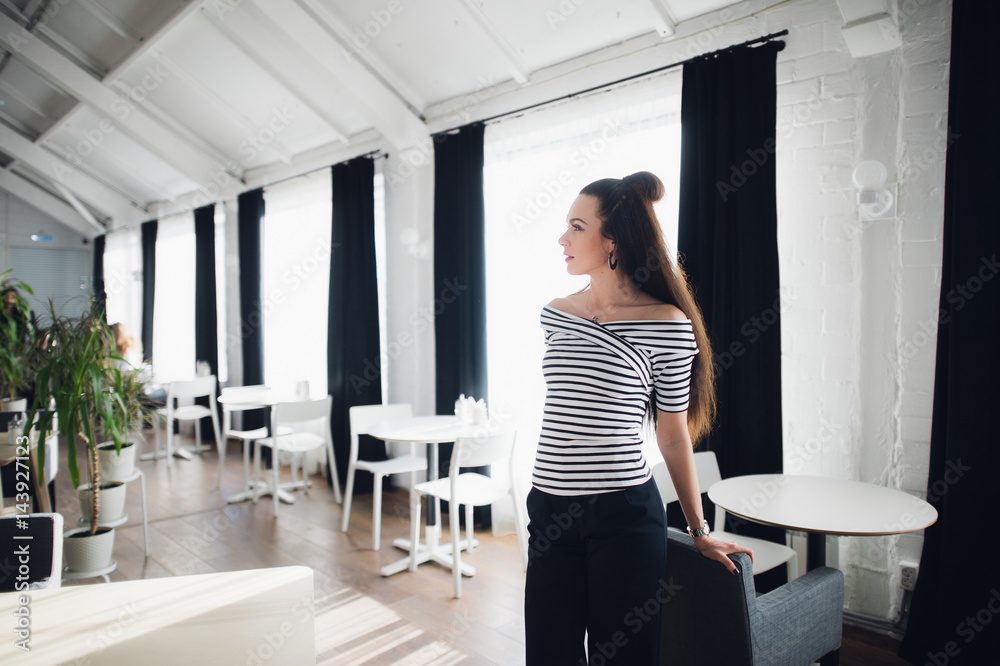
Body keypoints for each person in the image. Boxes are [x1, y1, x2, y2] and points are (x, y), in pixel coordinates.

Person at [524, 172, 753, 665]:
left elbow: (672, 433)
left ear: (612, 240)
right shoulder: (555, 313)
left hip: (622, 518)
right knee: (548, 654)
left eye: (576, 227)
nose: (562, 239)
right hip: (547, 508)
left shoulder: (668, 324)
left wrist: (699, 530)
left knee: (624, 656)